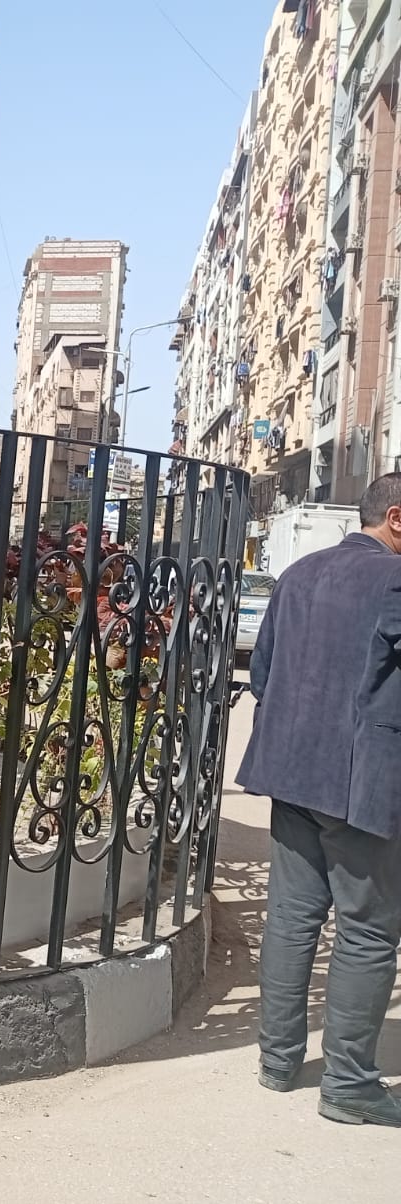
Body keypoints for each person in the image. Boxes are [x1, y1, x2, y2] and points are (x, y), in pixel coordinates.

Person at [237, 472, 401, 1126]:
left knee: (292, 916)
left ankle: (277, 1062)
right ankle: (350, 1084)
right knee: (367, 929)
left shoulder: (298, 575)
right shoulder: (394, 581)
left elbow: (263, 676)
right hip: (359, 785)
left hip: (292, 774)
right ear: (396, 517)